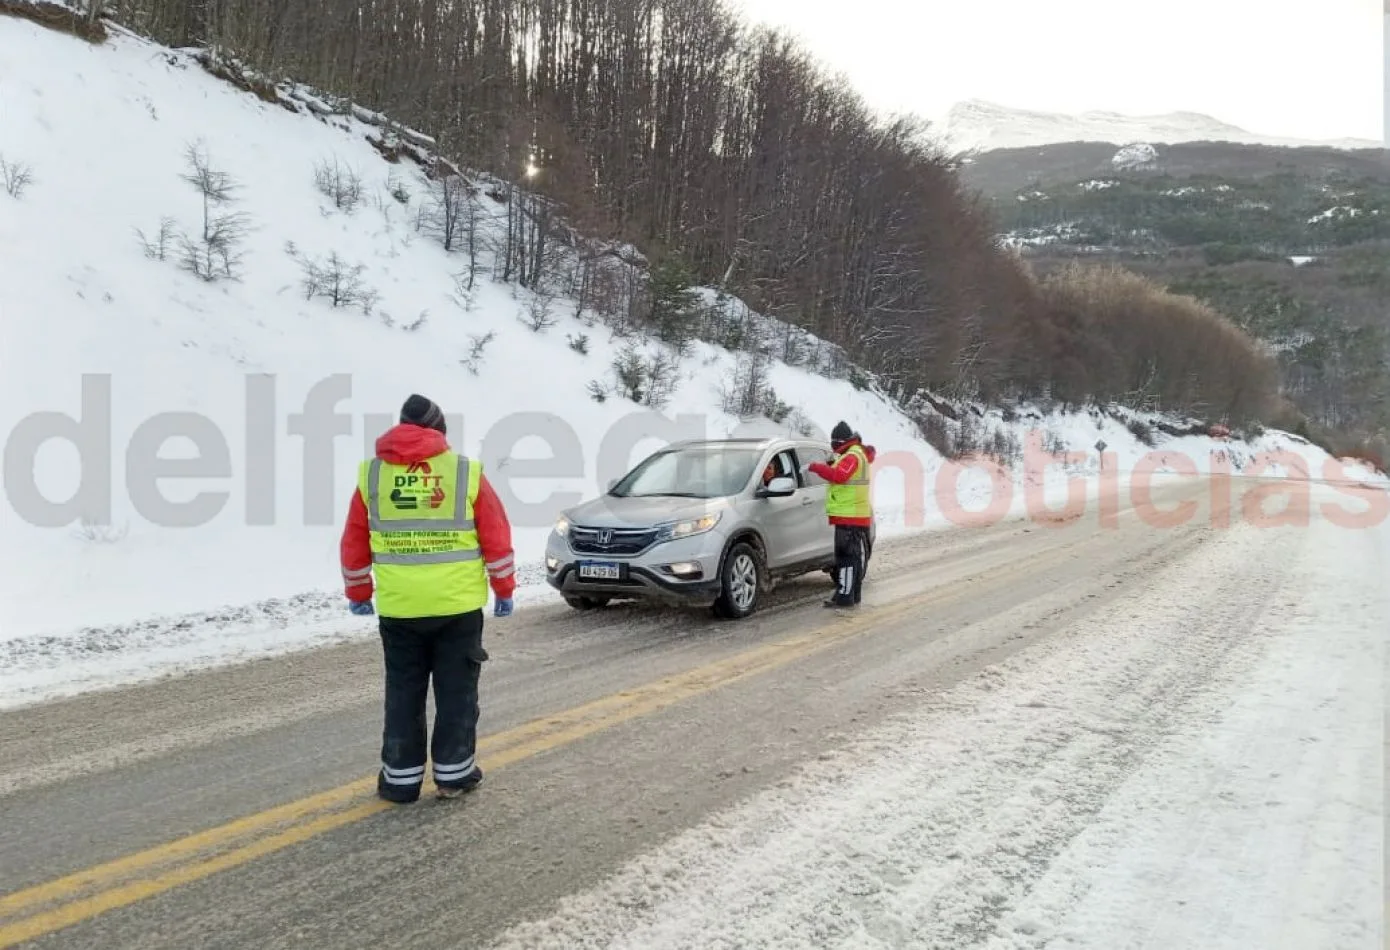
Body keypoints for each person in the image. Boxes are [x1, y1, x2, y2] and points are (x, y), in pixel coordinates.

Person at [340, 394, 517, 803]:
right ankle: (454, 777)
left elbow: (354, 539)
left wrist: (359, 591)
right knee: (457, 693)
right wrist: (503, 589)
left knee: (403, 693)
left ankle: (400, 783)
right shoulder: (464, 471)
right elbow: (495, 534)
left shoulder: (372, 474)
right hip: (457, 607)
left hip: (400, 608)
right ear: (439, 430)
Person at [807, 420, 875, 608]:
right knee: (853, 558)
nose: (833, 446)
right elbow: (842, 472)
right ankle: (854, 595)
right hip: (855, 515)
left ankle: (844, 597)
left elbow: (839, 476)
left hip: (849, 516)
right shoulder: (855, 453)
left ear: (840, 441)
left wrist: (816, 467)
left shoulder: (852, 456)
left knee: (845, 558)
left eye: (834, 442)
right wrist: (831, 464)